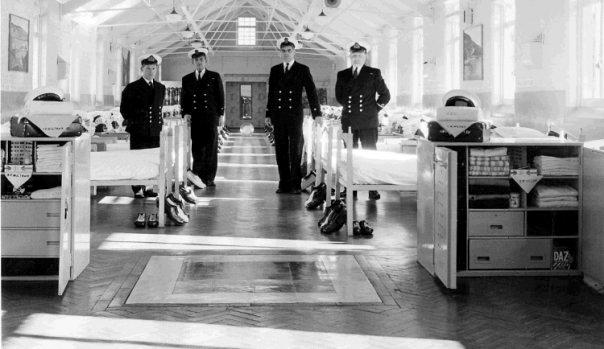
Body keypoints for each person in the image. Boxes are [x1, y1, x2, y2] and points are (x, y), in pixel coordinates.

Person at [266, 37, 322, 194]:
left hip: (294, 115)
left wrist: (317, 113)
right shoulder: (275, 70)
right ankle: (283, 183)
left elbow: (311, 91)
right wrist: (268, 113)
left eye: (289, 51)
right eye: (283, 51)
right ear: (280, 53)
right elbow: (271, 93)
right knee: (281, 150)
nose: (286, 53)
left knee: (296, 150)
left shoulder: (302, 69)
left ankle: (295, 184)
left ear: (294, 52)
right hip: (278, 115)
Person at [335, 41, 390, 200]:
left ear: (365, 56)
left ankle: (372, 187)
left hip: (368, 121)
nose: (357, 58)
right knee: (349, 155)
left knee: (370, 154)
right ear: (350, 57)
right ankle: (350, 188)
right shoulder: (343, 74)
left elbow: (385, 95)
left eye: (360, 55)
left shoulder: (373, 73)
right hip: (349, 120)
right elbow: (339, 96)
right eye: (354, 55)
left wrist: (374, 110)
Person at [120, 53, 166, 198]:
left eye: (153, 68)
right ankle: (137, 188)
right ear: (142, 69)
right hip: (138, 130)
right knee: (137, 158)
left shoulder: (161, 87)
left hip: (155, 130)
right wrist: (136, 120)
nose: (151, 71)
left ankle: (149, 187)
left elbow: (159, 108)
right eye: (148, 68)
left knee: (152, 159)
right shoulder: (132, 87)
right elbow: (124, 109)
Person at [180, 48, 225, 188]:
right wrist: (185, 112)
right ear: (193, 62)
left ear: (206, 61)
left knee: (211, 147)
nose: (199, 62)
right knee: (197, 148)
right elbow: (185, 98)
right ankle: (197, 176)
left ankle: (209, 177)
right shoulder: (187, 79)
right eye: (196, 60)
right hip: (195, 118)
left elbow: (220, 96)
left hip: (211, 117)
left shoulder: (214, 76)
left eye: (201, 59)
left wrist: (221, 115)